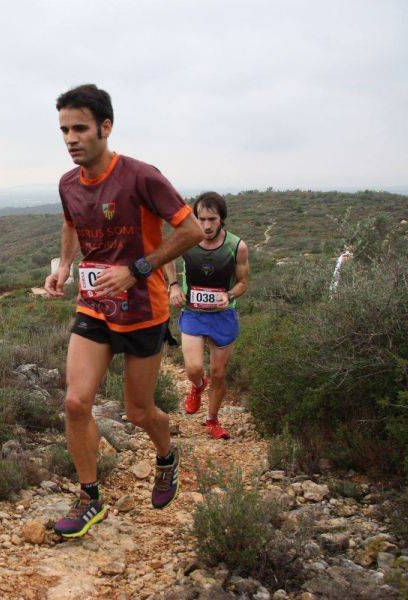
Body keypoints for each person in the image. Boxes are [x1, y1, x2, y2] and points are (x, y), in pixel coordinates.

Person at [44, 84, 204, 538]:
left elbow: (191, 231)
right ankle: (89, 498)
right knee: (75, 402)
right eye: (64, 130)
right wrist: (65, 267)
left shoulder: (140, 176)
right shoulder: (68, 183)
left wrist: (137, 270)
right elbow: (71, 223)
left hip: (143, 310)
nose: (71, 139)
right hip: (94, 306)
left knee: (139, 411)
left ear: (106, 127)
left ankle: (166, 455)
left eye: (80, 128)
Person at [164, 192, 250, 440]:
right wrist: (174, 286)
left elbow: (243, 282)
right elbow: (166, 256)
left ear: (222, 219)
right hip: (193, 312)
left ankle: (212, 420)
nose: (206, 225)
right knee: (193, 368)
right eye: (201, 219)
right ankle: (198, 386)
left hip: (223, 316)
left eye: (212, 219)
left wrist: (229, 295)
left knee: (219, 374)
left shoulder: (237, 246)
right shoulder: (187, 239)